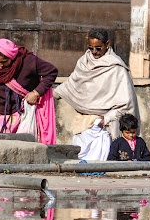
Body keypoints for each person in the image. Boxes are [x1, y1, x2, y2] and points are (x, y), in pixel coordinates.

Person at [55, 28, 139, 160]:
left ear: (107, 44)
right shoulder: (84, 62)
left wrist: (107, 118)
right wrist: (48, 94)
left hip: (105, 123)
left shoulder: (116, 68)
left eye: (98, 48)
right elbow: (72, 83)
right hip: (83, 121)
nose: (94, 52)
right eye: (91, 48)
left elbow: (126, 103)